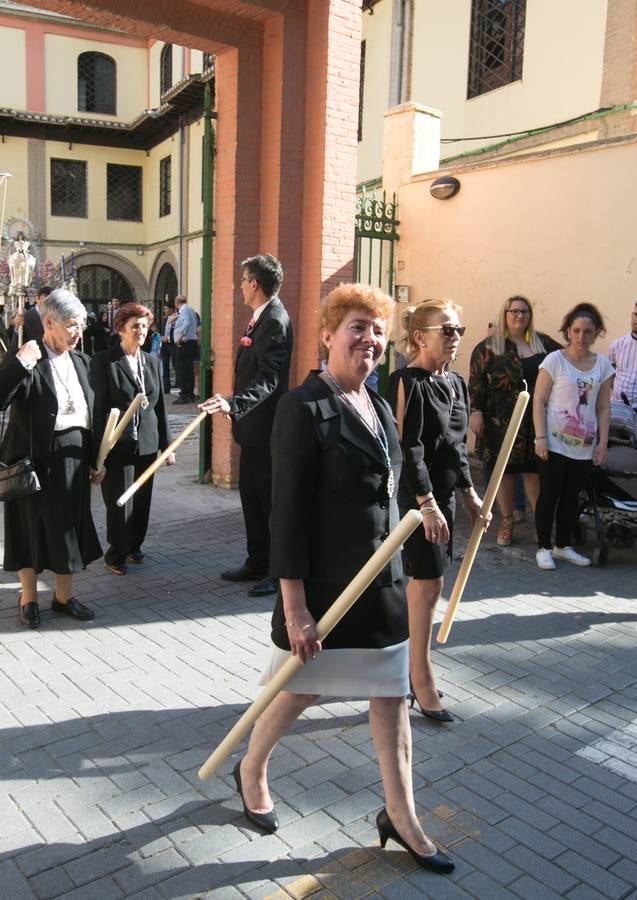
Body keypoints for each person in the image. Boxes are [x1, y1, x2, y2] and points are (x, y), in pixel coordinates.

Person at [234, 283, 454, 874]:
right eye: (357, 326)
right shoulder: (302, 407)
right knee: (300, 689)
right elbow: (287, 514)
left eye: (378, 330)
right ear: (328, 335)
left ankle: (400, 814)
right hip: (323, 588)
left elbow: (394, 483)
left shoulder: (379, 406)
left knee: (391, 696)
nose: (370, 339)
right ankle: (252, 768)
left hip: (378, 582)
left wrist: (428, 504)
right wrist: (296, 606)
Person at [389, 299, 485, 723]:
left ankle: (409, 668)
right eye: (446, 330)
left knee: (430, 583)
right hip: (415, 500)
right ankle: (418, 675)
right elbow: (409, 448)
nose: (455, 337)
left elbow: (455, 446)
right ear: (419, 336)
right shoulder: (405, 382)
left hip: (442, 498)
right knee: (427, 582)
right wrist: (426, 503)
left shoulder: (457, 382)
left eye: (459, 330)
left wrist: (469, 493)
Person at [0, 288, 103, 630]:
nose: (78, 332)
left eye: (81, 324)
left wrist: (97, 459)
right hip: (34, 460)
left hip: (74, 457)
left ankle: (63, 597)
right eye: (71, 325)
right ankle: (29, 599)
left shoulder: (81, 360)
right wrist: (19, 363)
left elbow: (89, 413)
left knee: (68, 528)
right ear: (49, 322)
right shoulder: (28, 358)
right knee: (29, 529)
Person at [200, 255, 293, 597]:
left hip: (267, 430)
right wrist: (229, 397)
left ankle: (274, 570)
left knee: (269, 504)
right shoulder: (261, 317)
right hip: (252, 429)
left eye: (243, 280)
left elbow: (269, 378)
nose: (240, 285)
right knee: (251, 498)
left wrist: (235, 403)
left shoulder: (275, 321)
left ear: (254, 283)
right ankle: (256, 561)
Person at [467, 294, 562, 546]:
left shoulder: (545, 344)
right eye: (514, 311)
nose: (519, 316)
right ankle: (507, 522)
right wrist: (475, 413)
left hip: (537, 419)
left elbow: (567, 365)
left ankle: (541, 527)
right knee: (504, 472)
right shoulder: (488, 347)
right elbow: (476, 384)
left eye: (524, 311)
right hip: (500, 420)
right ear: (505, 315)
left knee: (534, 472)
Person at [91, 302, 173, 575]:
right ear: (120, 330)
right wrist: (97, 453)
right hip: (118, 444)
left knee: (143, 499)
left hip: (147, 443)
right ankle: (116, 552)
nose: (141, 331)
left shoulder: (151, 360)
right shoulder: (105, 361)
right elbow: (98, 407)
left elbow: (159, 406)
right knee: (120, 501)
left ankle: (134, 545)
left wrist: (167, 445)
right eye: (135, 326)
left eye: (144, 326)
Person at [531, 303, 613, 569]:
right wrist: (540, 438)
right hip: (554, 444)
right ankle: (543, 546)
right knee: (549, 495)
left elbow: (603, 406)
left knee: (571, 497)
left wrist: (602, 443)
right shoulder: (554, 361)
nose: (581, 336)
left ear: (596, 333)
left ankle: (563, 545)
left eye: (587, 331)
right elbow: (539, 401)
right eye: (576, 330)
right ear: (567, 331)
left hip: (584, 446)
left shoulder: (602, 365)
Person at [171, 295, 201, 403]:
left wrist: (179, 336)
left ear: (177, 302)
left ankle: (184, 395)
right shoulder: (189, 310)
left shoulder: (184, 310)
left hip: (185, 342)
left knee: (182, 370)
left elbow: (187, 323)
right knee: (188, 370)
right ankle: (189, 394)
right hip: (189, 342)